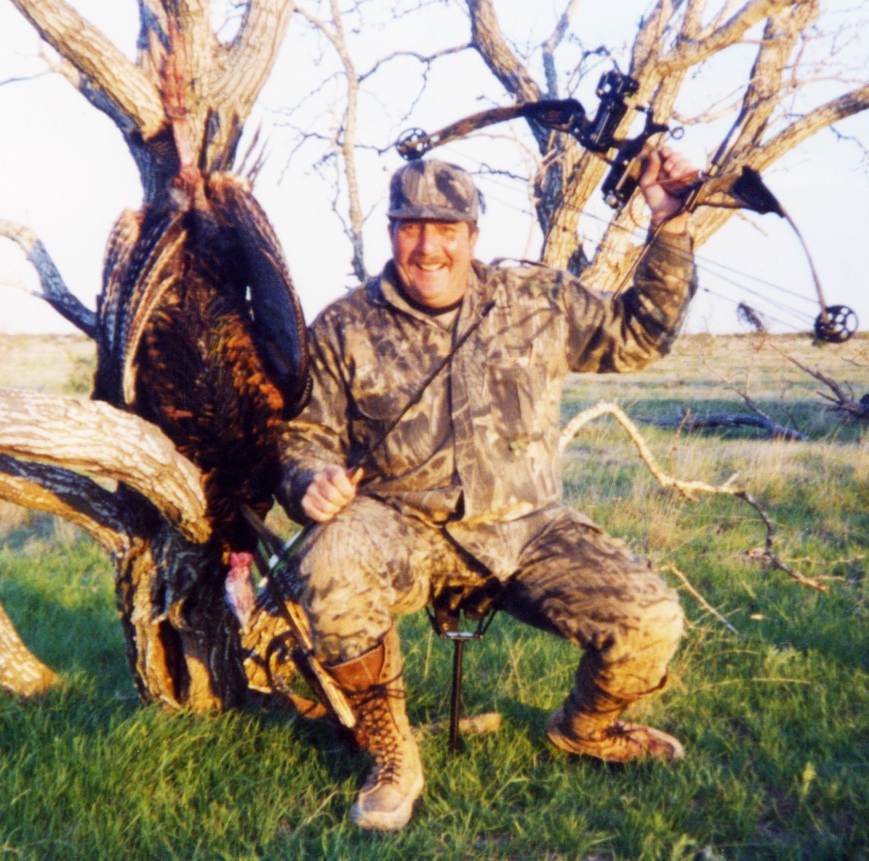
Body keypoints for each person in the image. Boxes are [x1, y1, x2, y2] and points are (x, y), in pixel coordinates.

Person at [277, 148, 700, 831]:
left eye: (447, 229)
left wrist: (671, 224)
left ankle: (583, 728)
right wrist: (308, 480)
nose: (429, 246)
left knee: (651, 618)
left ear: (473, 236)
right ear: (391, 233)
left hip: (531, 529)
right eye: (412, 226)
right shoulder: (343, 326)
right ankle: (392, 753)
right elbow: (304, 436)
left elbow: (639, 336)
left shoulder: (536, 299)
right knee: (329, 559)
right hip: (404, 526)